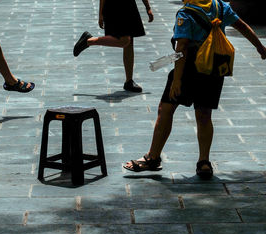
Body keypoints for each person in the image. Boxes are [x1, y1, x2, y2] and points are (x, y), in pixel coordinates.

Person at [123, 0, 266, 178]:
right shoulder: (220, 6)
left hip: (188, 69)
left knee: (166, 109)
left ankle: (152, 158)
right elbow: (241, 25)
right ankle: (204, 162)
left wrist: (176, 80)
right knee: (204, 114)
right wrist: (260, 47)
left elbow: (181, 47)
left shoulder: (186, 14)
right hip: (214, 69)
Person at [73, 0, 154, 92]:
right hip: (114, 6)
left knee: (129, 43)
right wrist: (100, 14)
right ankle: (89, 41)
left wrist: (148, 7)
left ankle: (129, 81)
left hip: (129, 6)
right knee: (125, 41)